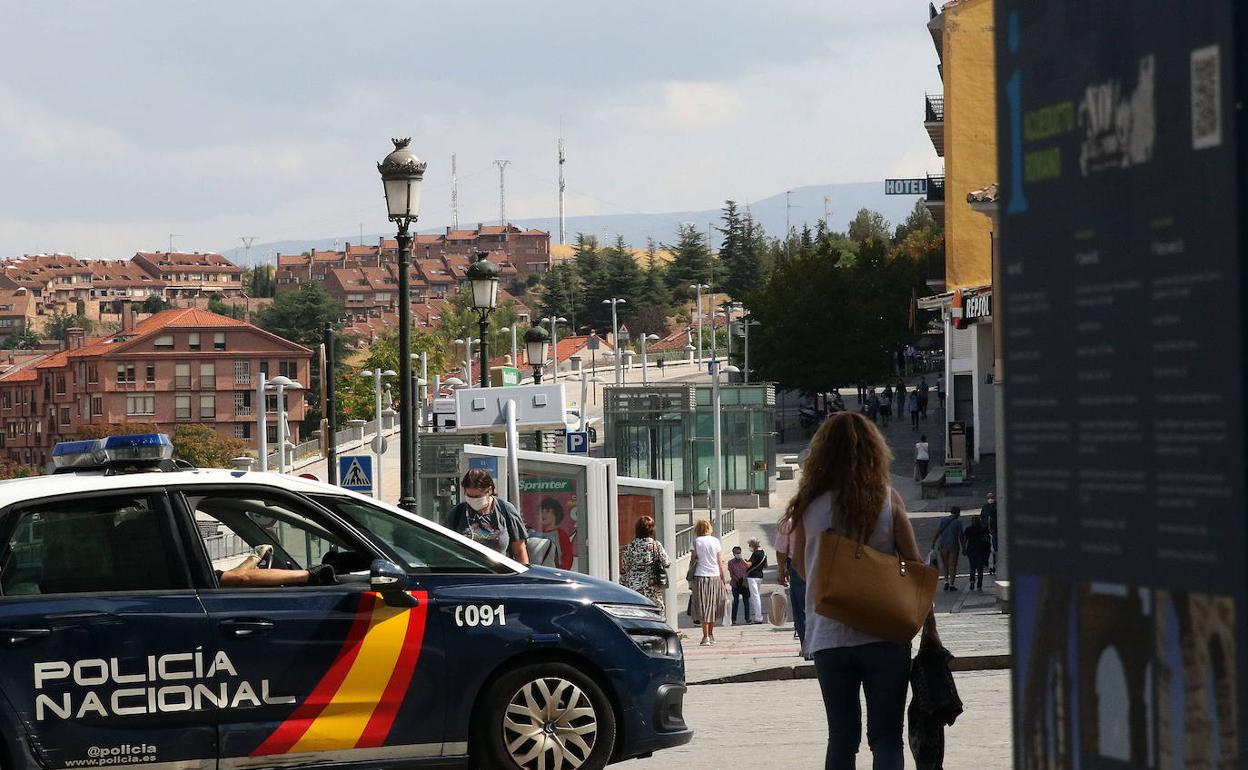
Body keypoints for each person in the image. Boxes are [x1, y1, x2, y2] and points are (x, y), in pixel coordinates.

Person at [785, 411, 940, 770]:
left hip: (829, 636)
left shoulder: (808, 507)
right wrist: (930, 628)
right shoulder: (887, 500)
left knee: (841, 738)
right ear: (873, 451)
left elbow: (802, 568)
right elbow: (917, 568)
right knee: (886, 739)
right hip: (885, 634)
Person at [445, 469, 530, 564]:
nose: (473, 500)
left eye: (477, 496)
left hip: (498, 574)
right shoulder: (457, 514)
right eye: (469, 495)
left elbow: (519, 551)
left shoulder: (506, 510)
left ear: (489, 490)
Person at [217, 544, 336, 588]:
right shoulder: (198, 576)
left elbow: (228, 578)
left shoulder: (201, 577)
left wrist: (255, 558)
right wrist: (310, 574)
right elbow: (241, 578)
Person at [620, 515, 671, 613]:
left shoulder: (630, 546)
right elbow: (667, 562)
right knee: (656, 614)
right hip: (651, 587)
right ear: (652, 530)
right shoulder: (655, 545)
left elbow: (625, 567)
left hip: (634, 587)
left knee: (637, 614)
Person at [689, 518, 728, 646]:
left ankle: (705, 636)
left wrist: (690, 576)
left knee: (703, 606)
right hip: (715, 575)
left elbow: (692, 560)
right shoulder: (715, 541)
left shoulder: (696, 542)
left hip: (700, 575)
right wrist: (723, 579)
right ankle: (710, 634)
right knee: (713, 605)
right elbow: (720, 561)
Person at [775, 517, 808, 655]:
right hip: (820, 564)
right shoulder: (822, 514)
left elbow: (781, 550)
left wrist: (781, 570)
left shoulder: (789, 521)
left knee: (801, 609)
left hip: (798, 565)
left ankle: (806, 647)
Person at [533, 497, 575, 570]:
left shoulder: (561, 535)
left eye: (548, 511)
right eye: (541, 511)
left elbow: (567, 557)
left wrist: (562, 573)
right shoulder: (536, 534)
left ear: (556, 513)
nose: (543, 514)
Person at [932, 505, 964, 592]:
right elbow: (961, 536)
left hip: (943, 545)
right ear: (958, 513)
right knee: (952, 565)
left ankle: (946, 581)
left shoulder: (943, 520)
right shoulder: (958, 522)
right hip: (953, 545)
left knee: (945, 564)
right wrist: (964, 547)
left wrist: (933, 542)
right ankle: (951, 584)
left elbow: (938, 531)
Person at [962, 513, 992, 592]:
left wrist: (963, 548)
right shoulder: (983, 529)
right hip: (981, 550)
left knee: (972, 567)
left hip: (971, 550)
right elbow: (987, 539)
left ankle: (972, 581)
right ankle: (979, 585)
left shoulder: (968, 529)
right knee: (980, 568)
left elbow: (965, 540)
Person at [745, 537, 768, 624]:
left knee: (755, 597)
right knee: (756, 595)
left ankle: (758, 617)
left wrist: (742, 560)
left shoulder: (755, 553)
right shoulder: (764, 553)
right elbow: (765, 566)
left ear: (753, 545)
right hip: (760, 576)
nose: (749, 547)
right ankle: (757, 616)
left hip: (752, 577)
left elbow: (748, 565)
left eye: (750, 545)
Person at [727, 546, 751, 624]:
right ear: (733, 554)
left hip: (744, 584)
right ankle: (733, 619)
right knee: (736, 601)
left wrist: (743, 560)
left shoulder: (744, 561)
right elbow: (731, 573)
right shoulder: (731, 562)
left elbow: (748, 568)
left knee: (746, 601)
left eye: (739, 553)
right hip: (735, 584)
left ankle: (747, 618)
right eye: (736, 553)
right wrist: (736, 579)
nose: (738, 554)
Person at [980, 493, 999, 574]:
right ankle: (990, 566)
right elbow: (982, 517)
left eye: (991, 497)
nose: (990, 499)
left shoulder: (996, 506)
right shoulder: (985, 507)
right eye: (989, 498)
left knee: (995, 549)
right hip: (987, 531)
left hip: (995, 531)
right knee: (989, 550)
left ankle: (995, 565)